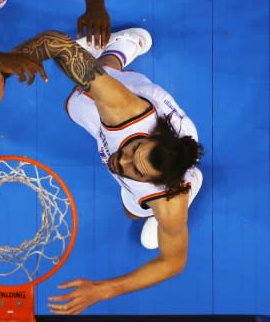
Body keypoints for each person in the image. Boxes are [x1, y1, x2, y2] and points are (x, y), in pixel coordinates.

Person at [11, 28, 203, 314]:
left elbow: (174, 261)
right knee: (75, 102)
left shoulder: (168, 200)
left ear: (158, 184)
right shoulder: (124, 109)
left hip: (169, 187)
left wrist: (103, 290)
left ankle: (192, 183)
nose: (119, 162)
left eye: (135, 171)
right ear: (151, 137)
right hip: (131, 92)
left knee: (133, 212)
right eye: (131, 152)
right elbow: (59, 44)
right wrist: (2, 69)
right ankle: (120, 49)